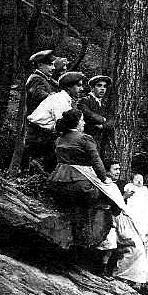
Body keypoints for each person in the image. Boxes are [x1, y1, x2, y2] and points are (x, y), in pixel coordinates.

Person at [46, 110, 129, 258]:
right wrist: (104, 178)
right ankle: (113, 233)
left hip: (57, 182)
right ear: (77, 123)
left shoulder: (59, 140)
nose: (84, 123)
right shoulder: (85, 138)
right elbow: (96, 161)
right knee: (111, 193)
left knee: (79, 208)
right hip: (80, 184)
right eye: (82, 120)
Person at [27, 70, 86, 172]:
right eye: (79, 85)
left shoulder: (66, 99)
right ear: (68, 87)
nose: (82, 89)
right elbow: (62, 125)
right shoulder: (59, 100)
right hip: (38, 136)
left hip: (44, 135)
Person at [115, 174, 148, 295]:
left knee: (146, 252)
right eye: (136, 179)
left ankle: (145, 284)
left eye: (141, 180)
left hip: (141, 223)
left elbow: (147, 208)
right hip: (127, 223)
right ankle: (127, 282)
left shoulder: (143, 191)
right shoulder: (127, 189)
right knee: (135, 251)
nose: (139, 182)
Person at [24, 50, 60, 173]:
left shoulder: (44, 79)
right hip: (37, 129)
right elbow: (39, 95)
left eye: (53, 64)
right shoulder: (36, 79)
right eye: (50, 64)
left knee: (45, 161)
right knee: (36, 161)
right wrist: (55, 97)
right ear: (40, 65)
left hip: (42, 129)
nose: (53, 68)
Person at [78, 75, 114, 155]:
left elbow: (112, 120)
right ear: (92, 88)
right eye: (99, 86)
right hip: (87, 140)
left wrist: (103, 126)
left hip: (101, 141)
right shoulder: (84, 101)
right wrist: (103, 119)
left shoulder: (105, 103)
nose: (102, 89)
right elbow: (89, 115)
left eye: (105, 86)